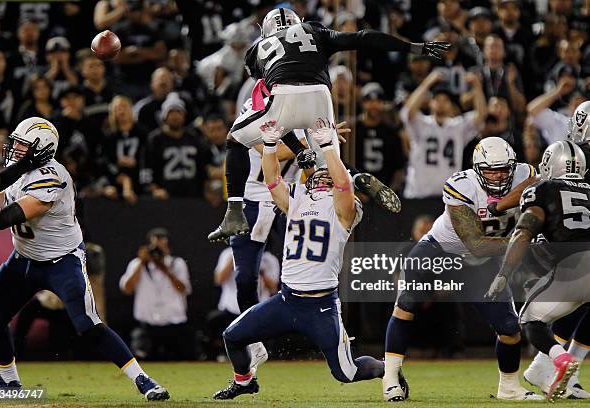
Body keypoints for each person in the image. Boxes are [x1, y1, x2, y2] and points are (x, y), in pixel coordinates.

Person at [207, 6, 449, 243]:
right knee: (329, 169)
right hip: (321, 99)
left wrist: (300, 150)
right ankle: (354, 182)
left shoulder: (257, 48)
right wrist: (414, 47)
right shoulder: (314, 30)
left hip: (282, 96)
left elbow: (276, 116)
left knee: (235, 139)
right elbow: (363, 38)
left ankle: (234, 212)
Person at [0, 117, 169, 401]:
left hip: (61, 261)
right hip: (24, 258)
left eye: (22, 145)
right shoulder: (22, 170)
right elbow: (1, 198)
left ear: (40, 149)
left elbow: (8, 217)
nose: (15, 149)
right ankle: (9, 383)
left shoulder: (51, 177)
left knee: (88, 326)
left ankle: (143, 379)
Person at [212, 120, 386, 399]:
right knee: (232, 336)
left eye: (327, 177)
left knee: (347, 373)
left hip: (320, 306)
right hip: (286, 299)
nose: (321, 178)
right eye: (319, 175)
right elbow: (271, 180)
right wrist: (269, 145)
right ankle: (245, 382)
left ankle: (387, 369)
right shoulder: (296, 199)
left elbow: (342, 183)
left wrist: (328, 146)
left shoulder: (343, 208)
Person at [383, 137, 542, 401]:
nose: (498, 176)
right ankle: (390, 379)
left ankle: (509, 387)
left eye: (504, 169)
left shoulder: (526, 175)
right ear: (477, 169)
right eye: (490, 170)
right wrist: (522, 242)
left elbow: (536, 183)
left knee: (509, 327)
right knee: (406, 304)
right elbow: (476, 244)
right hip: (440, 250)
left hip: (480, 262)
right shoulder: (462, 186)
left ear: (514, 167)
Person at [486, 140, 590, 401]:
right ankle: (546, 371)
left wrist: (503, 274)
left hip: (574, 266)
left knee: (530, 319)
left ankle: (560, 359)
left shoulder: (542, 188)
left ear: (549, 164)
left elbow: (523, 231)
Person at [401, 70, 487, 198]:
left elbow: (481, 116)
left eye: (445, 100)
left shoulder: (457, 126)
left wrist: (477, 86)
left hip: (447, 197)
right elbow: (408, 112)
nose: (441, 103)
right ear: (431, 102)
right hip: (418, 194)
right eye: (437, 99)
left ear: (450, 105)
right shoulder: (422, 124)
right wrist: (427, 83)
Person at [120, 228, 194, 360]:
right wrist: (142, 262)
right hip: (147, 326)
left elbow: (183, 289)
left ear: (168, 247)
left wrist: (164, 268)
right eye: (154, 246)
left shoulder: (176, 263)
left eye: (161, 245)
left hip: (174, 325)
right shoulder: (137, 264)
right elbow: (127, 288)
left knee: (184, 357)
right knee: (140, 358)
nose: (157, 250)